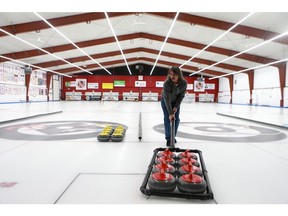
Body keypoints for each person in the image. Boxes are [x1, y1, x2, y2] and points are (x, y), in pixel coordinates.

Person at [161, 66, 187, 146]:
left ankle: (173, 137)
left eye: (174, 75)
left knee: (176, 119)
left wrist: (176, 106)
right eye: (170, 74)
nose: (172, 76)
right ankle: (169, 139)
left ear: (179, 75)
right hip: (166, 101)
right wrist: (170, 113)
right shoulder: (167, 83)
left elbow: (181, 96)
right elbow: (167, 98)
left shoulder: (183, 83)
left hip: (176, 102)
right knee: (167, 118)